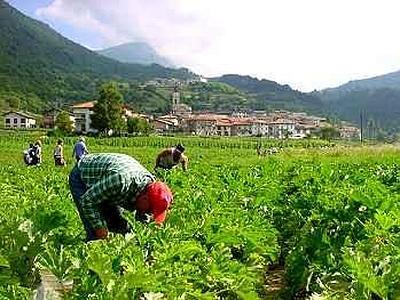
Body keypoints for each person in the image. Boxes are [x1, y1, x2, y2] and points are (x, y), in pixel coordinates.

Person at [69, 153, 173, 241]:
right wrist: (99, 228)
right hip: (84, 175)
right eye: (150, 211)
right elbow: (87, 201)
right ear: (145, 199)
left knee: (119, 225)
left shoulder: (149, 185)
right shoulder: (120, 181)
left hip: (109, 180)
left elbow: (142, 214)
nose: (149, 214)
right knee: (96, 233)